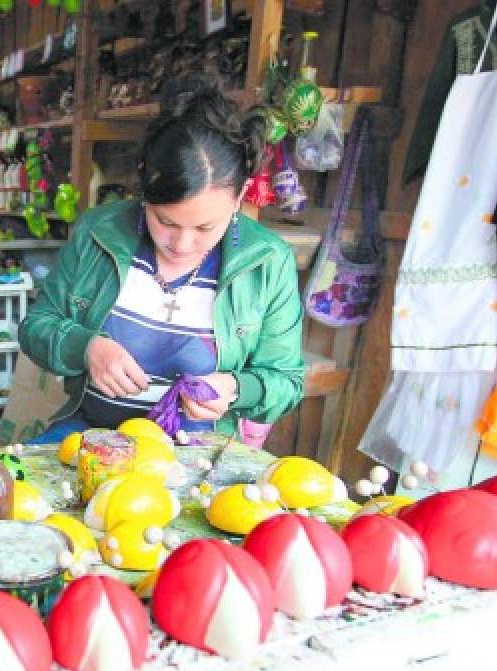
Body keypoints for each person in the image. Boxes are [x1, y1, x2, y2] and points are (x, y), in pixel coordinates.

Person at [18, 81, 304, 443]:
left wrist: (234, 388)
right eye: (165, 221)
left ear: (240, 196)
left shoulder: (267, 261)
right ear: (144, 186)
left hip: (197, 452)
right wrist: (86, 347)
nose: (182, 244)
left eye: (205, 227)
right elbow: (35, 328)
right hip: (90, 435)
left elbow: (287, 382)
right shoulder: (98, 232)